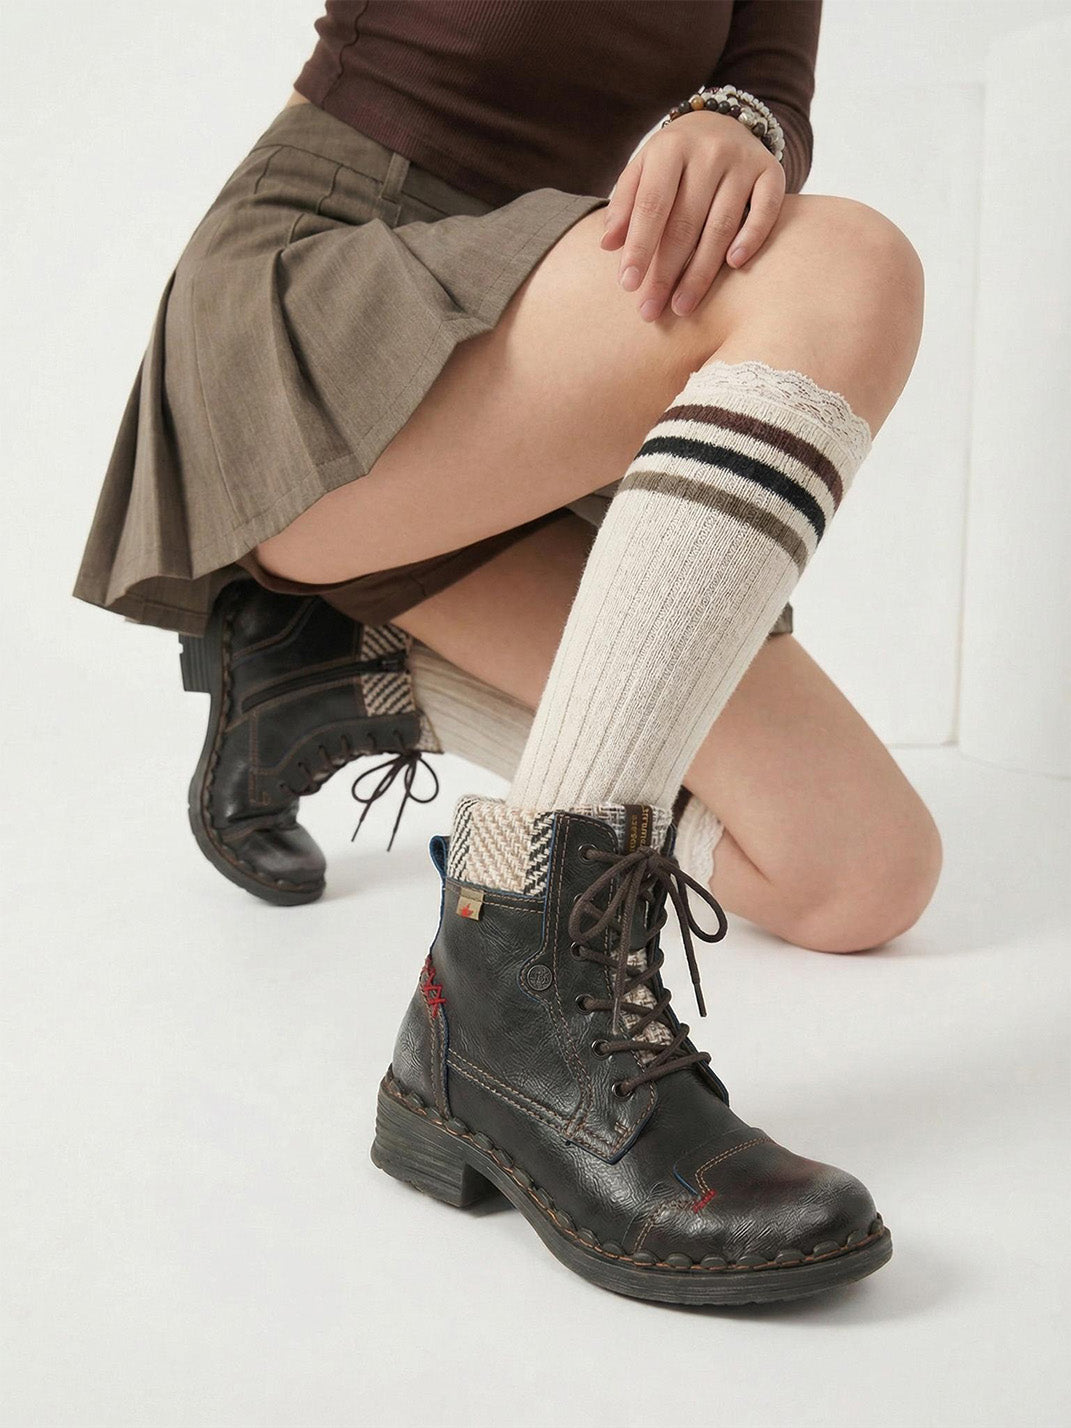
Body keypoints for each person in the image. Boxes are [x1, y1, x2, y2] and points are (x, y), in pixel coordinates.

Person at [73, 1, 938, 1303]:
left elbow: (770, 85)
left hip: (535, 368)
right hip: (326, 311)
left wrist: (734, 124)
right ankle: (511, 988)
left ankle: (341, 672)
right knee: (847, 266)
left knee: (859, 872)